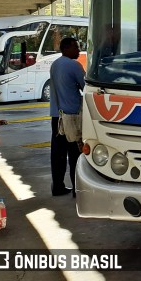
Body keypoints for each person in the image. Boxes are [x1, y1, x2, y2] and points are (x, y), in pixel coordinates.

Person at [49, 37, 84, 197]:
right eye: (76, 47)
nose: (78, 50)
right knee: (75, 153)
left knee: (58, 153)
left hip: (56, 116)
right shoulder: (74, 65)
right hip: (71, 117)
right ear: (67, 48)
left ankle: (58, 186)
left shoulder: (55, 64)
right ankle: (78, 189)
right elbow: (87, 86)